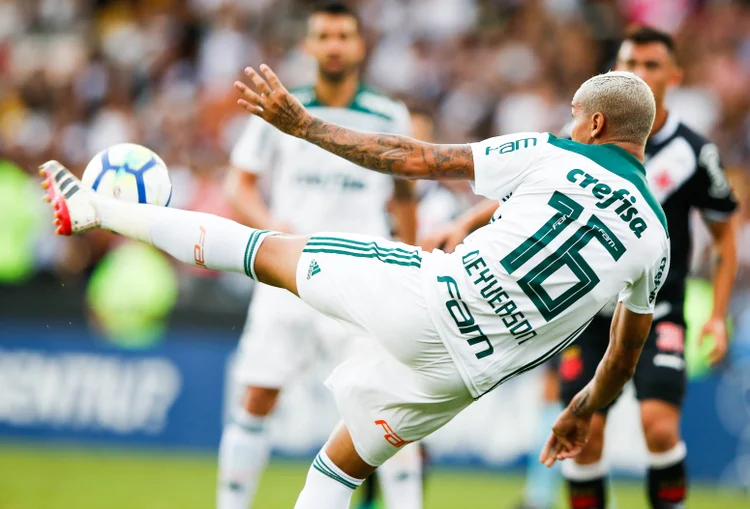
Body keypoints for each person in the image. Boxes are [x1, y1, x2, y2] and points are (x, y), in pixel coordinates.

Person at [40, 67, 669, 509]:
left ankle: (99, 212)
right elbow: (623, 351)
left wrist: (307, 127)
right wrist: (582, 411)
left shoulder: (552, 152)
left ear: (594, 121)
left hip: (432, 298)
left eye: (572, 117)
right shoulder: (657, 242)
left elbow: (416, 159)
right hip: (467, 373)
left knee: (265, 253)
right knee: (339, 467)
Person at [426, 26, 739, 509]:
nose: (639, 73)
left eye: (651, 65)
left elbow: (725, 236)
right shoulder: (585, 138)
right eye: (629, 63)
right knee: (584, 436)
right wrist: (465, 221)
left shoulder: (693, 152)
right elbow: (531, 184)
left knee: (658, 426)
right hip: (588, 312)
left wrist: (716, 315)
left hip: (659, 309)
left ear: (674, 76)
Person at [218, 4, 422, 509]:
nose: (334, 44)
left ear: (360, 46)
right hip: (288, 272)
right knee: (257, 398)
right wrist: (270, 225)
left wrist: (413, 263)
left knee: (385, 405)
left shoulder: (388, 114)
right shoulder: (280, 106)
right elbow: (237, 185)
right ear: (309, 46)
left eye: (343, 35)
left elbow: (403, 197)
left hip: (361, 282)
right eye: (324, 35)